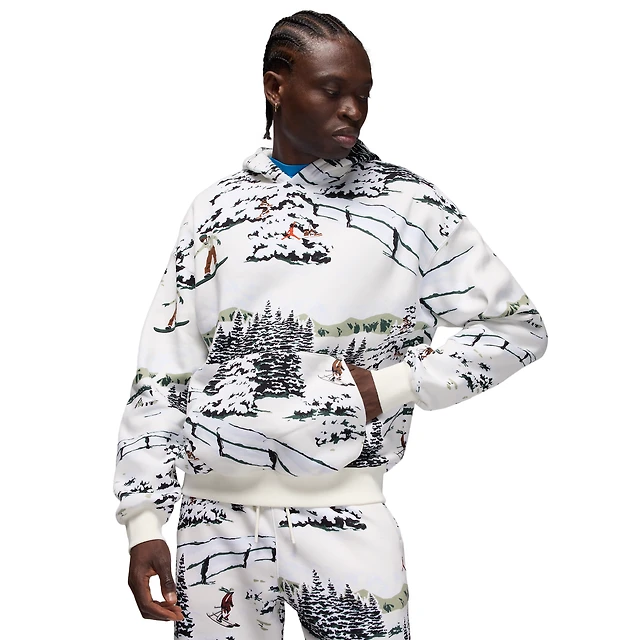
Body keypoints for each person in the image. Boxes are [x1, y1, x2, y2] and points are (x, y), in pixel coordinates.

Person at [113, 9, 549, 639]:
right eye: (332, 90)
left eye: (363, 94)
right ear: (276, 87)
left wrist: (391, 385)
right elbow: (166, 365)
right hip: (212, 526)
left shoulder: (409, 207)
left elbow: (517, 329)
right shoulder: (215, 208)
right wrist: (143, 521)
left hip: (346, 515)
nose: (353, 110)